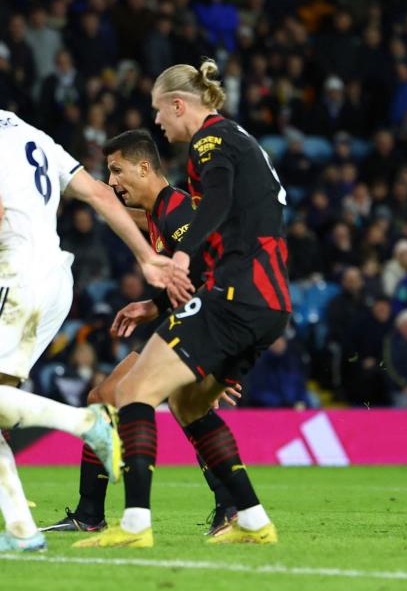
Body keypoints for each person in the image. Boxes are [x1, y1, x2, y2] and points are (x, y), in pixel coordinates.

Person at [0, 41, 177, 553]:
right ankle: (21, 529)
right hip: (55, 281)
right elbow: (100, 193)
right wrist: (146, 256)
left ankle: (85, 423)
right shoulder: (29, 132)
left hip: (15, 278)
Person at [75, 59, 290, 549]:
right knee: (189, 403)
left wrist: (182, 256)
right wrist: (157, 305)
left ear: (178, 104)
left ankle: (133, 527)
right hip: (266, 302)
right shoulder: (237, 139)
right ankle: (252, 520)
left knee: (132, 394)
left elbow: (215, 203)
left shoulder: (210, 142)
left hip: (236, 294)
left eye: (159, 111)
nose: (157, 122)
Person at [41, 130, 240, 536]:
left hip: (201, 328)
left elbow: (213, 276)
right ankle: (92, 514)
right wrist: (153, 306)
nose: (113, 181)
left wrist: (213, 356)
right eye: (109, 172)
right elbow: (187, 278)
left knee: (168, 406)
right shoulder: (157, 214)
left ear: (144, 167)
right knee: (118, 400)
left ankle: (227, 508)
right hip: (183, 323)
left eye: (118, 170)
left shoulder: (178, 211)